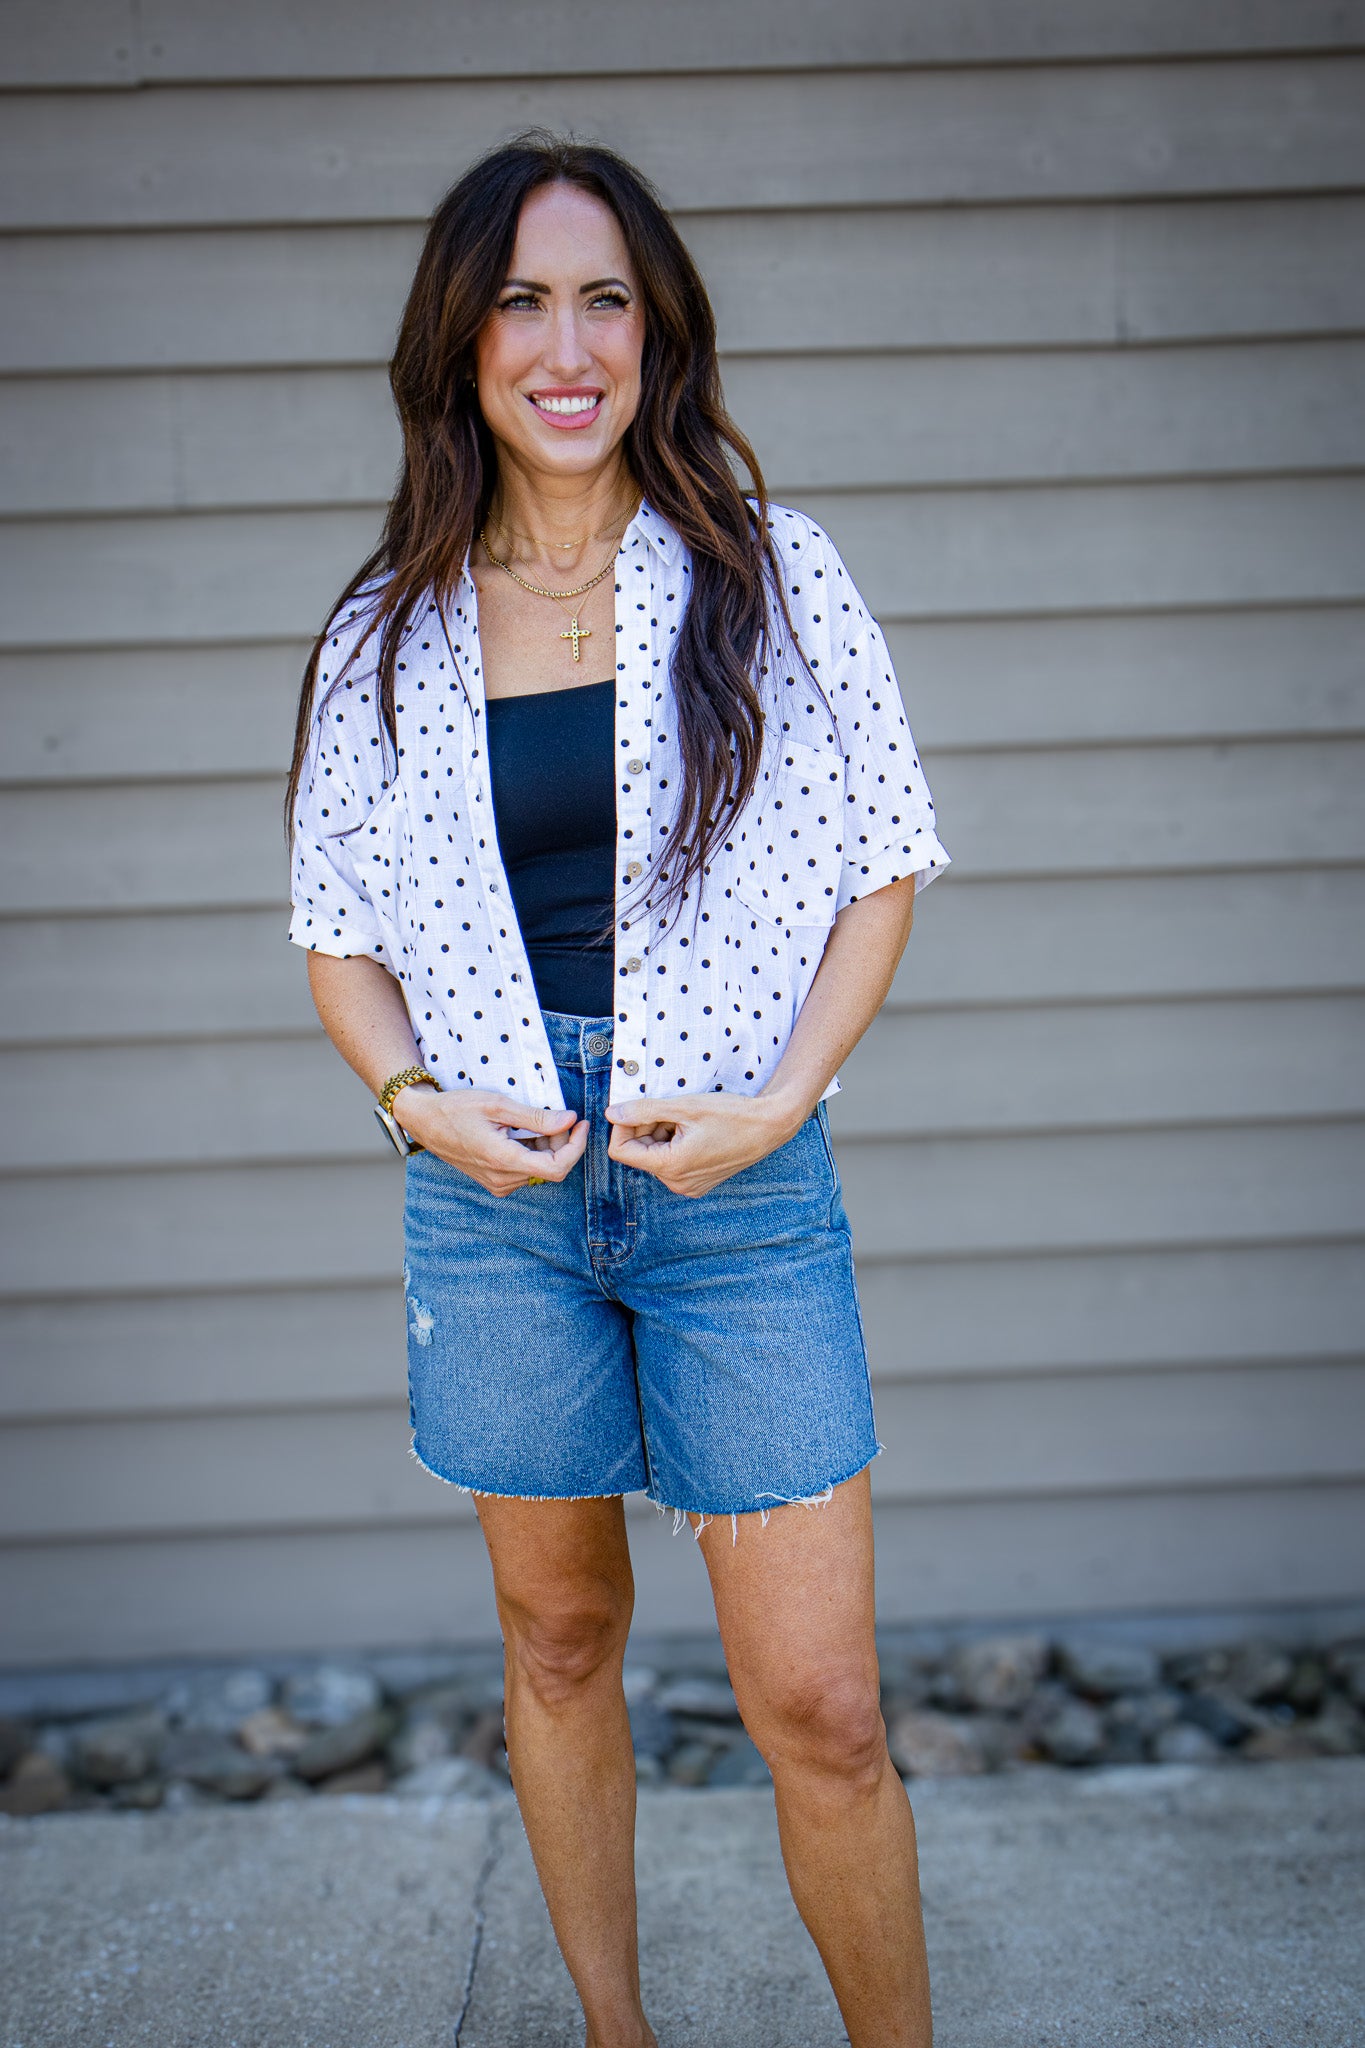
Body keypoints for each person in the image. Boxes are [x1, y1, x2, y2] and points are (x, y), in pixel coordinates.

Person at [287, 130, 949, 2048]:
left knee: (818, 1706)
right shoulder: (382, 635)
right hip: (492, 1200)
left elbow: (881, 862)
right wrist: (414, 1103)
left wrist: (783, 1100)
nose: (564, 344)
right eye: (519, 300)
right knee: (559, 1642)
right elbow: (338, 930)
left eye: (604, 301)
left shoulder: (769, 574)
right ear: (460, 345)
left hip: (740, 1186)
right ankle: (613, 2033)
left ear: (656, 338)